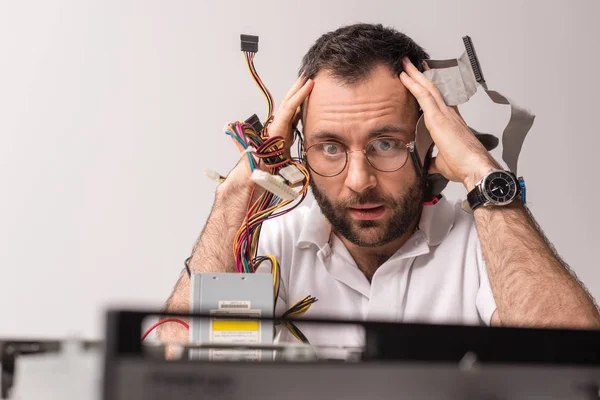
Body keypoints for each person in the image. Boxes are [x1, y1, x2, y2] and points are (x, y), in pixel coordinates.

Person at [160, 23, 600, 346]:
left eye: (386, 143)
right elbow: (165, 371)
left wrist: (481, 174)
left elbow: (577, 367)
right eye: (329, 147)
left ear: (430, 140)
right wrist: (236, 195)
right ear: (298, 150)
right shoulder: (264, 247)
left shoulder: (486, 249)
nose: (359, 182)